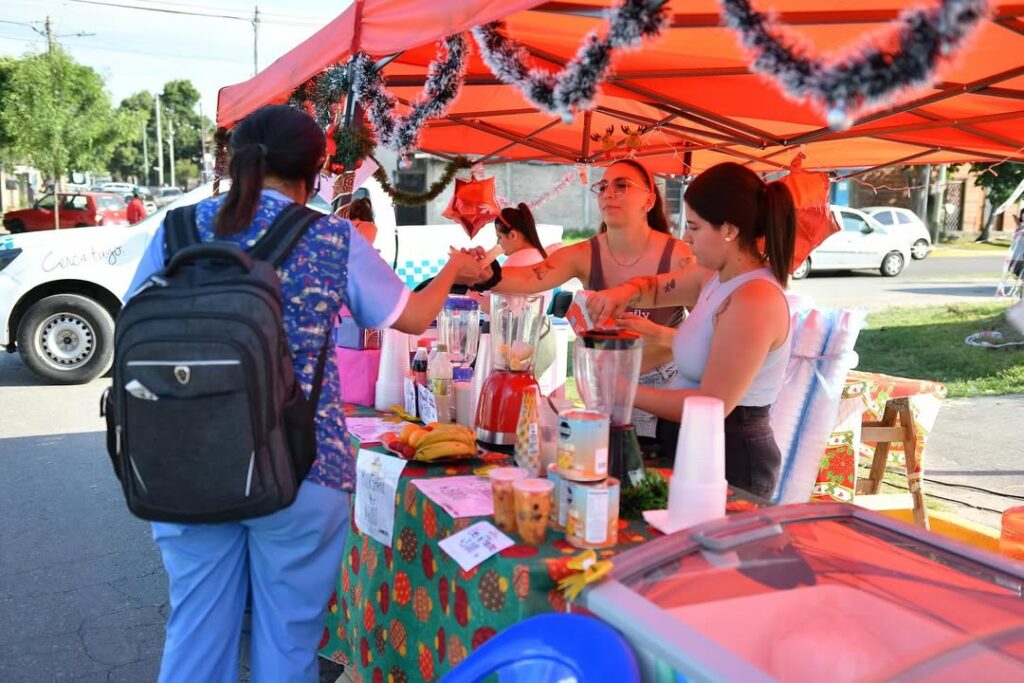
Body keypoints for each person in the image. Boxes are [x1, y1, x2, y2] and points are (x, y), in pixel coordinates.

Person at [125, 105, 480, 683]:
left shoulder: (177, 229)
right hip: (301, 464)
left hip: (186, 461)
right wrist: (453, 273)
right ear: (314, 173)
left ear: (235, 161)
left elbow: (133, 326)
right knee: (288, 644)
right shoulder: (331, 237)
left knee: (195, 634)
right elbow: (413, 317)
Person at [585, 161, 797, 498]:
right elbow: (657, 288)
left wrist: (621, 390)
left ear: (729, 230)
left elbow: (712, 404)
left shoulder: (754, 298)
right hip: (694, 444)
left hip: (730, 458)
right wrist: (622, 293)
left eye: (695, 227)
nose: (686, 237)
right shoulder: (715, 276)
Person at [470, 159, 693, 449]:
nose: (608, 193)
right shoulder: (586, 253)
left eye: (622, 185)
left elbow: (713, 336)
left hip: (665, 387)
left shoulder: (680, 257)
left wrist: (659, 335)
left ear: (649, 200)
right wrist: (482, 273)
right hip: (606, 384)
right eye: (603, 186)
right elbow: (530, 277)